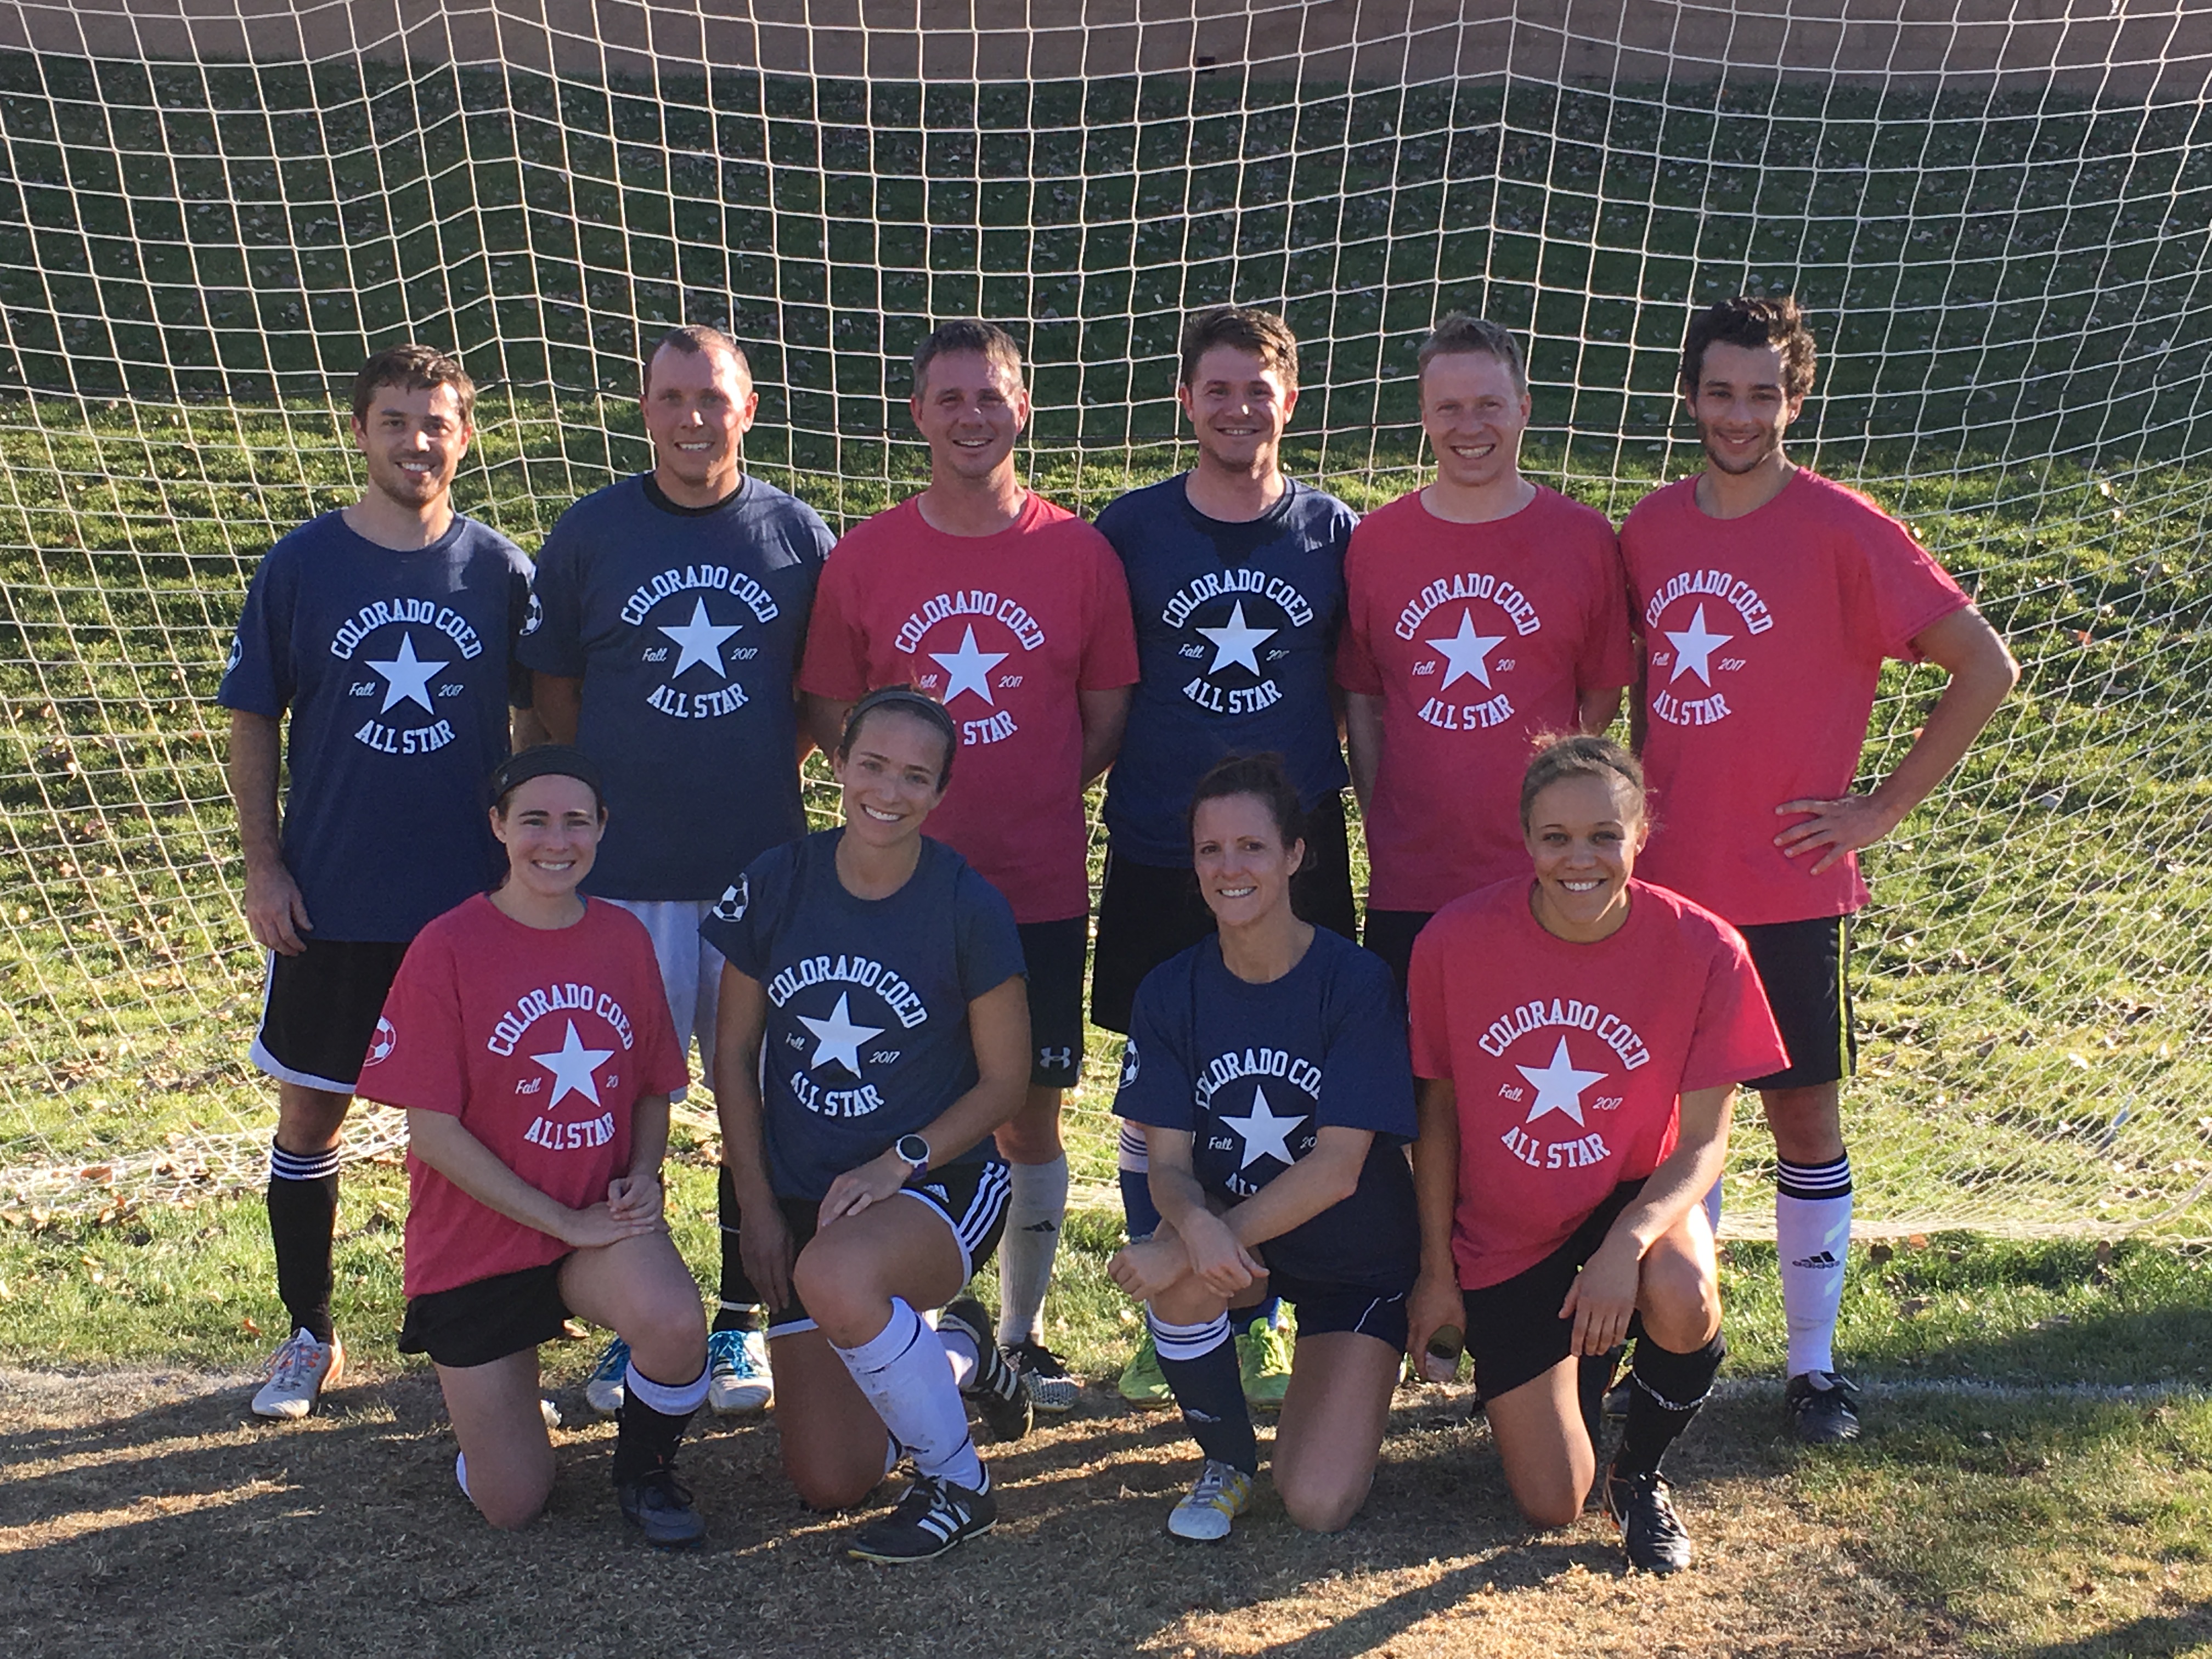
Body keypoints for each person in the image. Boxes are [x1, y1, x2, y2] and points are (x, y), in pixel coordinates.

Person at [1621, 295, 2018, 1443]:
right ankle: (1674, 1349)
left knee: (1801, 1117)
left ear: (1794, 401)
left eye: (1763, 394)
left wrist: (1880, 807)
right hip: (1666, 887)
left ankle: (1812, 1367)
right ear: (1688, 396)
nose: (1739, 415)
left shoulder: (1846, 527)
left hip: (1790, 884)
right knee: (1666, 1130)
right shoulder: (1647, 529)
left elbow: (1985, 667)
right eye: (1720, 392)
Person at [800, 320, 1138, 1411]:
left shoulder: (1078, 553)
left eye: (990, 396)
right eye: (948, 398)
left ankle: (1022, 1336)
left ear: (1022, 407)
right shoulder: (866, 556)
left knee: (1028, 1115)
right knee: (894, 1103)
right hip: (892, 892)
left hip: (1033, 886)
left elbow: (1103, 717)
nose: (971, 416)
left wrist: (1025, 790)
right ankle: (894, 1321)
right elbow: (830, 707)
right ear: (917, 414)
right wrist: (894, 810)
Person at [521, 323, 835, 1422]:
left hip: (759, 878)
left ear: (748, 407)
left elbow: (814, 701)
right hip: (625, 879)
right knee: (616, 1102)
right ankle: (635, 1314)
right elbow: (554, 697)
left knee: (760, 1100)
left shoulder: (795, 535)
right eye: (671, 398)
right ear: (644, 407)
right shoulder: (592, 531)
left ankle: (745, 1317)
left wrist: (747, 772)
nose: (693, 418)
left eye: (713, 397)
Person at [218, 343, 536, 1420]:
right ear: (359, 431)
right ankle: (309, 1333)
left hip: (469, 911)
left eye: (436, 422)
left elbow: (538, 731)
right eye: (395, 421)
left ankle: (489, 1345)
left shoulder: (501, 572)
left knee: (486, 1131)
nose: (416, 441)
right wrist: (265, 865)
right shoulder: (303, 565)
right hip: (335, 901)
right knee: (312, 1115)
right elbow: (252, 715)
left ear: (466, 436)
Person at [1404, 735, 1788, 1573]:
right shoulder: (1453, 943)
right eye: (1556, 837)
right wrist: (1437, 1273)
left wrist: (1626, 1246)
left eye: (1604, 836)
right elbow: (1436, 1118)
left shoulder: (1706, 948)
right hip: (1507, 1231)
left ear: (1640, 835)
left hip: (1632, 1198)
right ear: (1526, 838)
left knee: (1683, 1295)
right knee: (1550, 1502)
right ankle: (1578, 1377)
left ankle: (1639, 1473)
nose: (1580, 859)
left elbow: (1704, 1144)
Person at [1091, 307, 1359, 1411]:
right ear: (1185, 401)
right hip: (1164, 843)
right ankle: (1173, 1306)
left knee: (1288, 1080)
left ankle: (1268, 1308)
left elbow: (1354, 686)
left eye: (1259, 388)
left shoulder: (1333, 530)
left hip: (1295, 849)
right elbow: (1100, 681)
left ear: (1289, 400)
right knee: (1156, 1094)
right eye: (1218, 388)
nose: (1239, 407)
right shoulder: (1129, 529)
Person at [704, 687, 1037, 1564]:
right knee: (832, 1479)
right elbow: (732, 1053)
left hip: (937, 1184)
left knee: (836, 1272)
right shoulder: (777, 880)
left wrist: (900, 1161)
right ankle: (958, 1351)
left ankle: (958, 1485)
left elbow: (1006, 1084)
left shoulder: (967, 903)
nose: (889, 791)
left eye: (916, 776)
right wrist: (757, 1207)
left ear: (941, 792)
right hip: (804, 1196)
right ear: (839, 765)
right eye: (873, 765)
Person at [357, 746, 709, 1545]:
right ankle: (493, 1428)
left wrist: (644, 1173)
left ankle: (646, 1474)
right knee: (513, 1502)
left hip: (593, 1225)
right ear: (499, 826)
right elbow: (432, 1134)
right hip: (479, 1244)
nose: (557, 841)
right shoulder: (447, 945)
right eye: (535, 821)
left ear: (602, 827)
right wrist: (561, 1220)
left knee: (674, 1322)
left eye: (576, 821)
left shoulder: (622, 937)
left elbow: (653, 1086)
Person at [1108, 753, 1418, 1542]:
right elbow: (1167, 1166)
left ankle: (1340, 1380)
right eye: (1210, 850)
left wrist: (1204, 1239)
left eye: (1251, 846)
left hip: (1354, 1260)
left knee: (1316, 1502)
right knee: (1181, 1266)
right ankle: (1228, 1462)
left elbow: (1338, 1170)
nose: (1230, 868)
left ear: (1295, 854)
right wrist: (1193, 1230)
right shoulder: (1169, 990)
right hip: (1245, 1250)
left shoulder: (1355, 982)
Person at [1337, 314, 1634, 995]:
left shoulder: (1584, 538)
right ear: (1423, 416)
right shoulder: (1376, 542)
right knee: (1415, 1058)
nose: (1469, 427)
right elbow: (1363, 697)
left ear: (1524, 408)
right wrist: (1385, 821)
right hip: (1412, 877)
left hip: (1541, 874)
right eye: (1449, 408)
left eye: (1489, 405)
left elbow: (1600, 695)